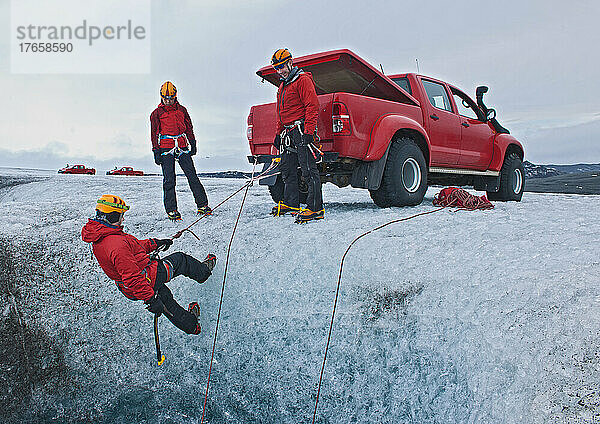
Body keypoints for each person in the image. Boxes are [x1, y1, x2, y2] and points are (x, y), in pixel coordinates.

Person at [81, 194, 217, 335]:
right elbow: (132, 277)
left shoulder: (103, 235)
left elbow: (134, 247)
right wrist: (151, 299)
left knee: (164, 298)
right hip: (145, 278)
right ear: (112, 216)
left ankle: (192, 326)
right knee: (181, 260)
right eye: (121, 215)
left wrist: (155, 243)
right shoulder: (116, 245)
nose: (123, 219)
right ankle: (203, 272)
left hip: (131, 287)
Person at [269, 48, 324, 223]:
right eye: (277, 68)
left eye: (282, 67)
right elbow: (280, 112)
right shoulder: (283, 86)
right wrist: (278, 133)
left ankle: (316, 209)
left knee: (308, 170)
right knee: (287, 169)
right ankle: (291, 203)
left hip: (301, 131)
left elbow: (312, 106)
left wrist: (308, 132)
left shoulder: (303, 80)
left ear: (290, 63)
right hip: (287, 132)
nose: (280, 71)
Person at [150, 81, 211, 221]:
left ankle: (202, 205)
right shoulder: (156, 113)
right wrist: (155, 151)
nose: (168, 101)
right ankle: (172, 210)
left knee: (192, 176)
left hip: (182, 146)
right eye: (166, 98)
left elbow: (189, 127)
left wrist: (193, 143)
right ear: (161, 97)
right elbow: (154, 134)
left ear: (175, 96)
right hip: (166, 148)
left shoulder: (182, 110)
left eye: (171, 98)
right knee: (169, 180)